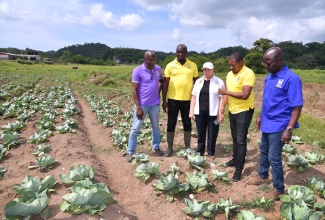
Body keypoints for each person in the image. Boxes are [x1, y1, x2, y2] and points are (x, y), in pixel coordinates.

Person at [247, 47, 303, 200]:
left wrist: (289, 129)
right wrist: (260, 116)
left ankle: (278, 189)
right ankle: (263, 175)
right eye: (264, 63)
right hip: (267, 121)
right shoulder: (269, 77)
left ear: (279, 60)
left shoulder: (292, 78)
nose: (266, 66)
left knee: (274, 157)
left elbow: (297, 106)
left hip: (280, 124)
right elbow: (267, 100)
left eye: (269, 63)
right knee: (263, 150)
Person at [218, 52, 255, 182]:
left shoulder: (248, 73)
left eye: (233, 65)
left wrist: (226, 92)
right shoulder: (229, 75)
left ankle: (239, 170)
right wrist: (222, 107)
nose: (231, 68)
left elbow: (245, 94)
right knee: (234, 137)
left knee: (241, 140)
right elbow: (227, 94)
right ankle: (235, 159)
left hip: (244, 111)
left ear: (241, 62)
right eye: (229, 65)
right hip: (233, 110)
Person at [126, 50, 164, 162]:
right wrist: (138, 107)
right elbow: (134, 89)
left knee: (156, 128)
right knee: (135, 129)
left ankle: (156, 147)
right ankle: (130, 151)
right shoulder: (138, 70)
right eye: (150, 60)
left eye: (154, 59)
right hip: (142, 105)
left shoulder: (158, 69)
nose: (152, 62)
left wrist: (159, 90)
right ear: (145, 59)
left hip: (155, 104)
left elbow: (161, 80)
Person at [162, 44, 199, 157]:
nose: (180, 54)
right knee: (171, 124)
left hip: (187, 100)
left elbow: (197, 83)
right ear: (176, 52)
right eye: (178, 52)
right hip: (173, 100)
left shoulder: (192, 65)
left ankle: (187, 147)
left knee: (187, 123)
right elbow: (165, 83)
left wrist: (197, 99)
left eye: (182, 52)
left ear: (186, 53)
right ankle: (169, 148)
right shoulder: (170, 65)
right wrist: (164, 100)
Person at [189, 62, 225, 157]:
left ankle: (211, 152)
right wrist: (191, 110)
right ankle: (200, 151)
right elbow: (193, 97)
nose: (207, 72)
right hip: (200, 111)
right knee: (200, 132)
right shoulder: (198, 81)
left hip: (213, 112)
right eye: (205, 70)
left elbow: (222, 98)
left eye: (209, 70)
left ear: (213, 70)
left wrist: (220, 112)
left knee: (212, 133)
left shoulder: (219, 81)